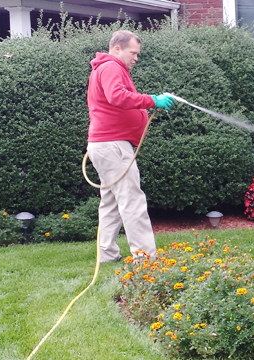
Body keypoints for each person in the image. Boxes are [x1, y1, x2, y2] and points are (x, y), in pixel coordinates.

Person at [86, 30, 175, 262]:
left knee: (111, 202)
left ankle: (106, 253)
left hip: (105, 145)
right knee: (132, 201)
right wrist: (152, 100)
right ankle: (146, 258)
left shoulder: (106, 68)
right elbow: (117, 97)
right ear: (117, 49)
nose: (136, 58)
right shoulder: (112, 67)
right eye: (133, 53)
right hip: (113, 146)